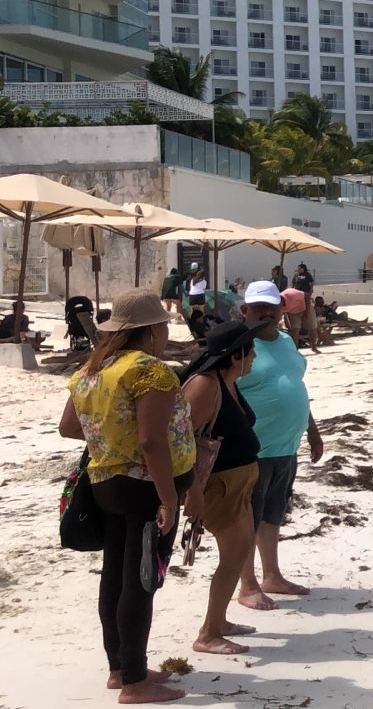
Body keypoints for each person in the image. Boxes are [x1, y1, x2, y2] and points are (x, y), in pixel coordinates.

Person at [58, 290, 195, 704]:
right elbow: (153, 443)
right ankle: (135, 682)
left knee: (116, 575)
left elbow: (69, 426)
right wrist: (169, 500)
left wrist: (110, 436)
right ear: (153, 330)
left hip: (106, 483)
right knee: (140, 581)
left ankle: (120, 669)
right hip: (144, 488)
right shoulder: (150, 371)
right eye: (163, 326)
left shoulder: (93, 369)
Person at [179, 319, 271, 655]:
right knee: (233, 556)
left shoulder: (228, 381)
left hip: (238, 484)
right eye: (251, 351)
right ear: (235, 356)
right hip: (218, 486)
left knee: (240, 550)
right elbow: (182, 440)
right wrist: (191, 493)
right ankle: (208, 634)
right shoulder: (205, 384)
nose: (256, 356)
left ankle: (219, 622)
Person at [235, 282, 325, 611]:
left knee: (273, 514)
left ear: (281, 309)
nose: (267, 313)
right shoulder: (240, 345)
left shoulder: (287, 341)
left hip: (287, 445)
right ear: (246, 311)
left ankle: (271, 575)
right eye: (259, 308)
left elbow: (295, 386)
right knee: (246, 518)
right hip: (251, 449)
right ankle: (247, 585)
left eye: (272, 307)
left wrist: (312, 432)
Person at [278, 283, 314, 353]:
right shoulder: (278, 304)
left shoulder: (291, 294)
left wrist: (306, 312)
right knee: (295, 330)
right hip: (293, 312)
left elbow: (307, 296)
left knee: (312, 327)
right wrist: (287, 322)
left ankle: (313, 347)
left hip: (305, 306)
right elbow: (284, 313)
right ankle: (296, 350)